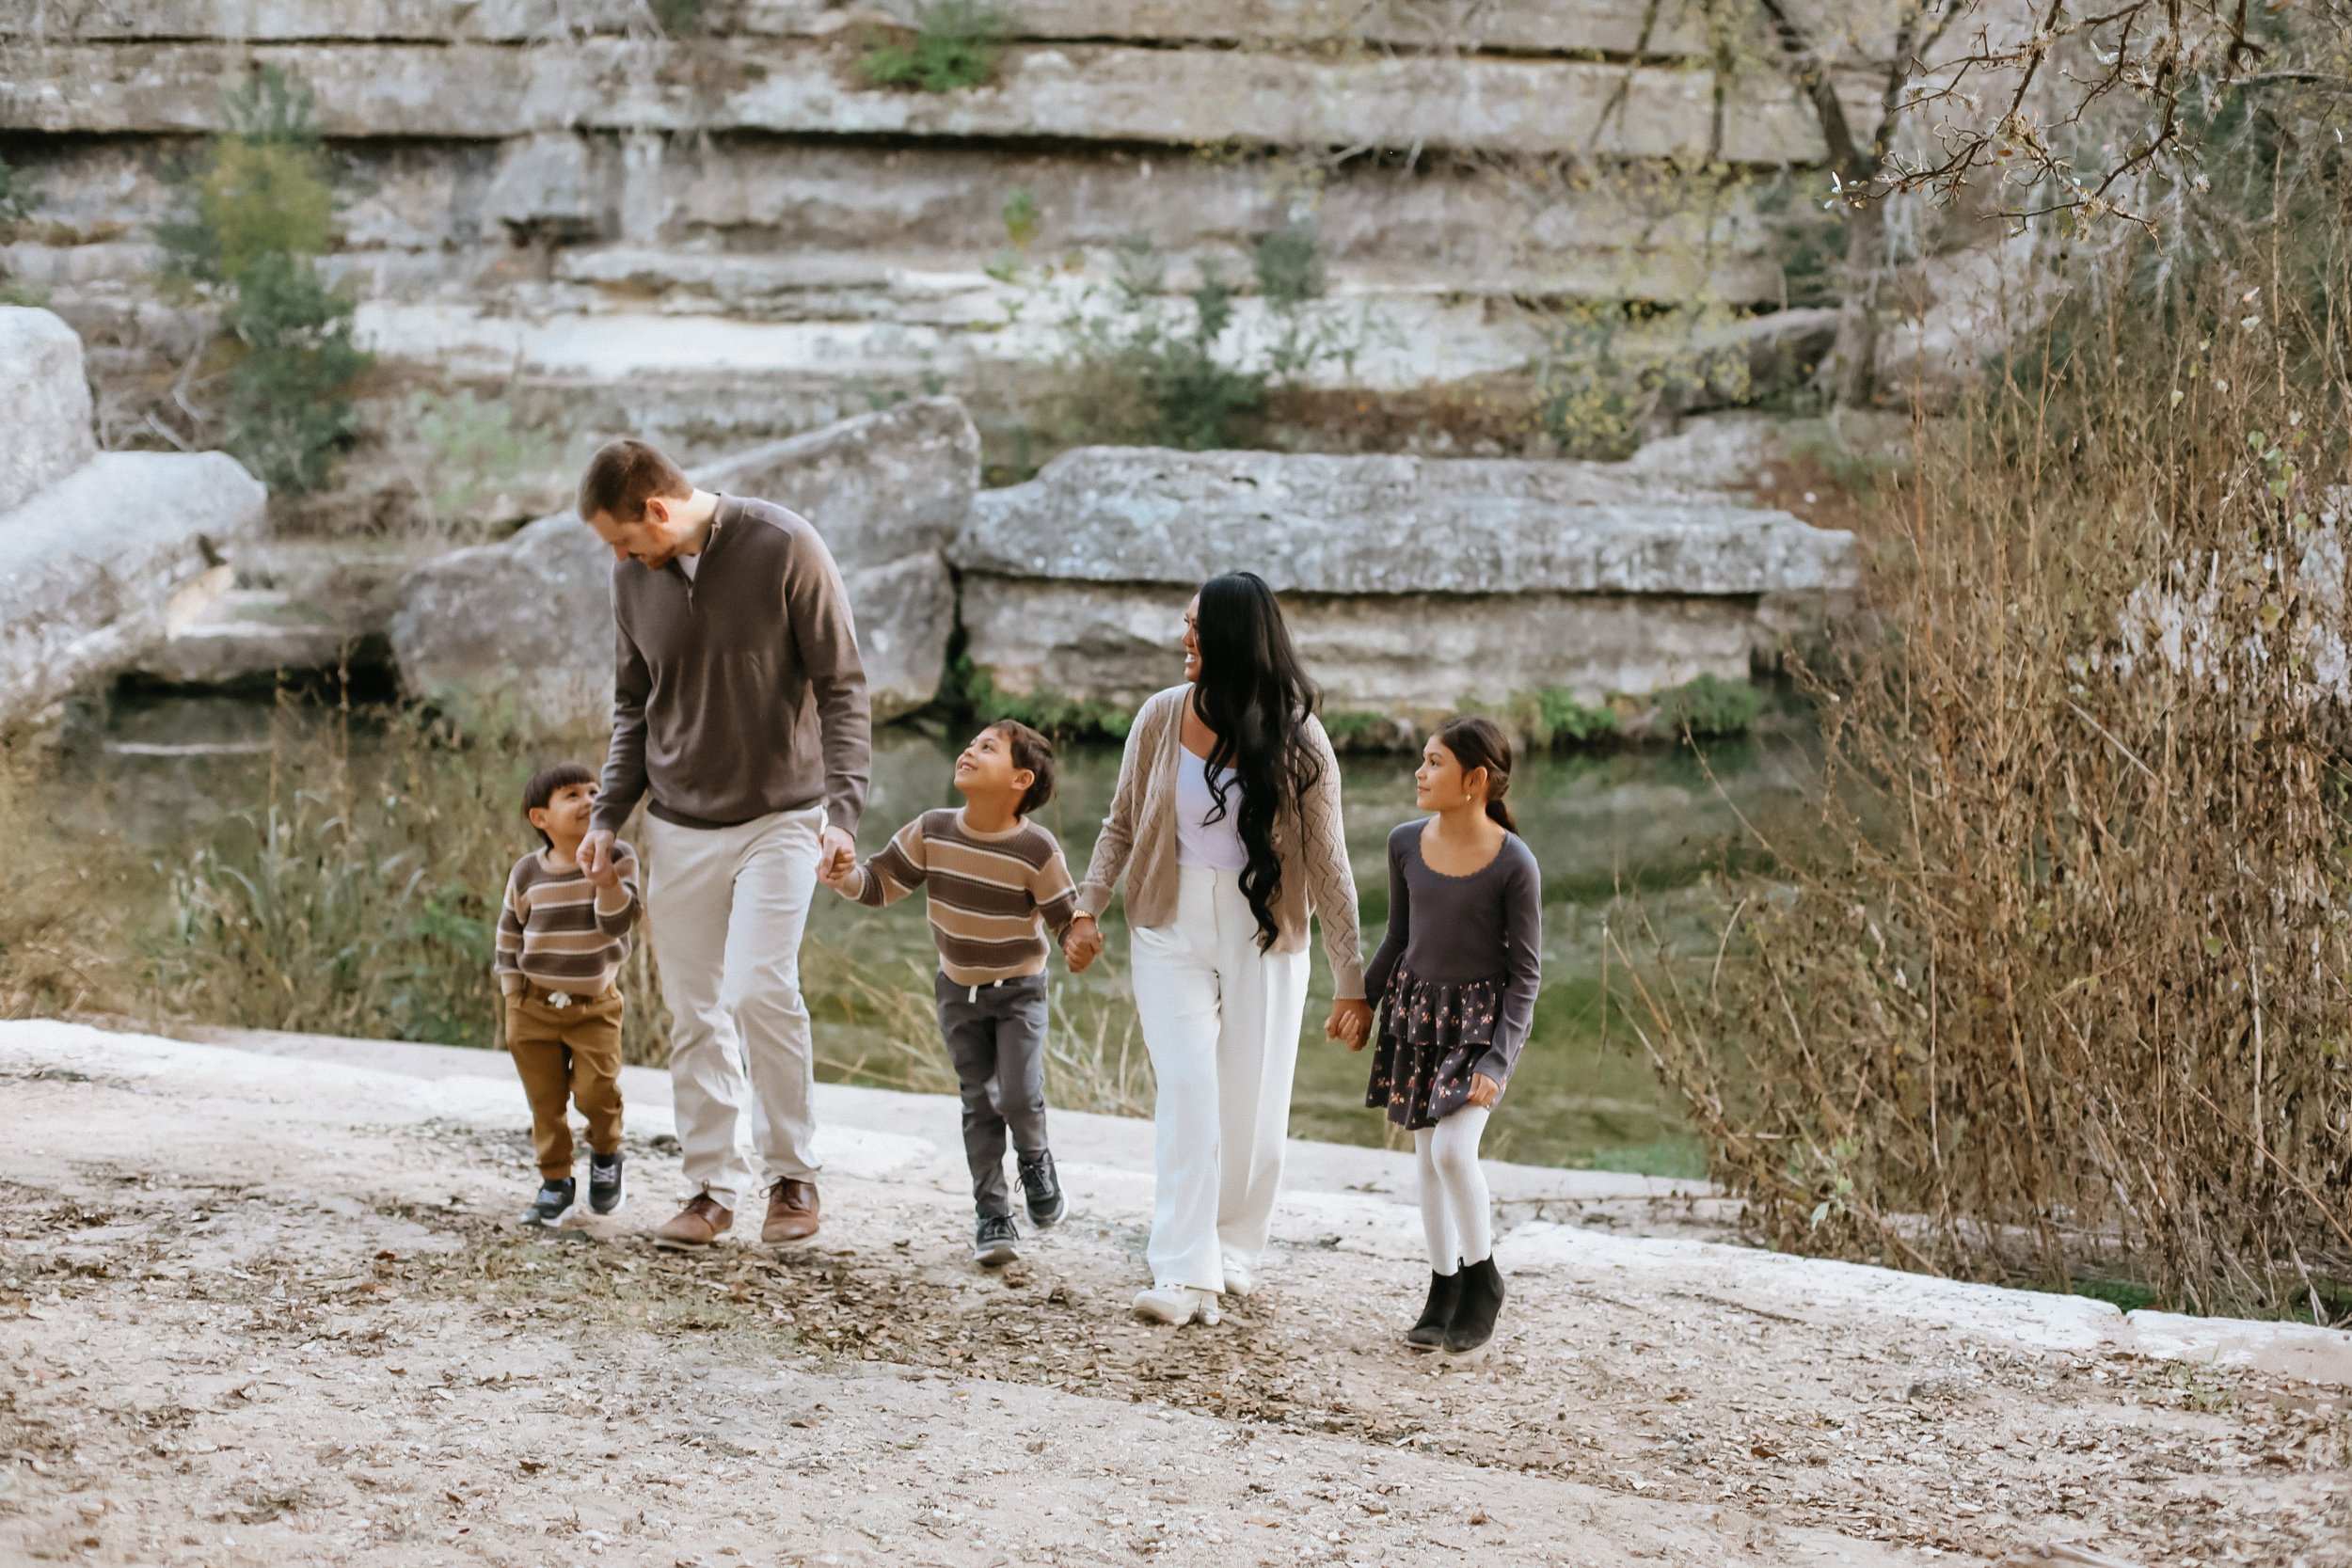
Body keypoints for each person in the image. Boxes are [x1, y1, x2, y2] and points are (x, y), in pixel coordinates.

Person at [574, 438, 871, 1252]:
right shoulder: (632, 578)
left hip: (784, 817)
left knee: (759, 987)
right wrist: (607, 817)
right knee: (695, 1011)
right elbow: (632, 706)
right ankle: (711, 1187)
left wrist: (842, 814)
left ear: (658, 511)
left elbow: (842, 689)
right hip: (676, 824)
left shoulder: (785, 546)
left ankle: (792, 1174)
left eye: (621, 537)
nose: (620, 555)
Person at [1063, 572, 1373, 1327]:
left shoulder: (1301, 739)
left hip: (1265, 930)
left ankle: (1234, 1245)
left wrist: (1351, 980)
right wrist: (1085, 908)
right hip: (1167, 923)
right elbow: (1121, 824)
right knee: (1189, 1092)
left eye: (1196, 625)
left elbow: (1330, 864)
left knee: (1254, 1102)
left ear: (1234, 637)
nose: (1183, 637)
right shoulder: (1160, 715)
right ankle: (1183, 1268)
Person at [820, 721, 1090, 1267]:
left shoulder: (1036, 848)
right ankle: (993, 1214)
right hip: (957, 992)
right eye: (971, 742)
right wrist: (845, 877)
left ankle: (1035, 1160)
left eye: (986, 747)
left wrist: (1078, 940)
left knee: (1016, 1094)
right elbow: (878, 884)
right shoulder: (932, 829)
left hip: (1019, 992)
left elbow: (1066, 919)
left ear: (1020, 779)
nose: (969, 748)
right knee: (978, 1101)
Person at [1355, 716, 1541, 1358]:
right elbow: (1398, 939)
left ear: (1475, 780)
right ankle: (1442, 1286)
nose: (1420, 772)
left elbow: (1527, 973)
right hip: (1417, 1020)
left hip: (1477, 1032)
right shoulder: (1405, 842)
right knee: (1426, 1159)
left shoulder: (1514, 862)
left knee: (1454, 1152)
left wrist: (1500, 1055)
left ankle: (1482, 1277)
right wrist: (1360, 997)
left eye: (1434, 762)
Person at [494, 763, 642, 1227]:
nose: (588, 800)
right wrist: (513, 993)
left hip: (593, 1007)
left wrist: (605, 881)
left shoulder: (618, 857)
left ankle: (605, 1153)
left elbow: (620, 923)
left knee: (597, 1090)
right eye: (572, 795)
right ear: (541, 818)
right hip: (532, 1005)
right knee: (545, 1100)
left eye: (595, 791)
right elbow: (509, 934)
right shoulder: (526, 873)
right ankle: (555, 1182)